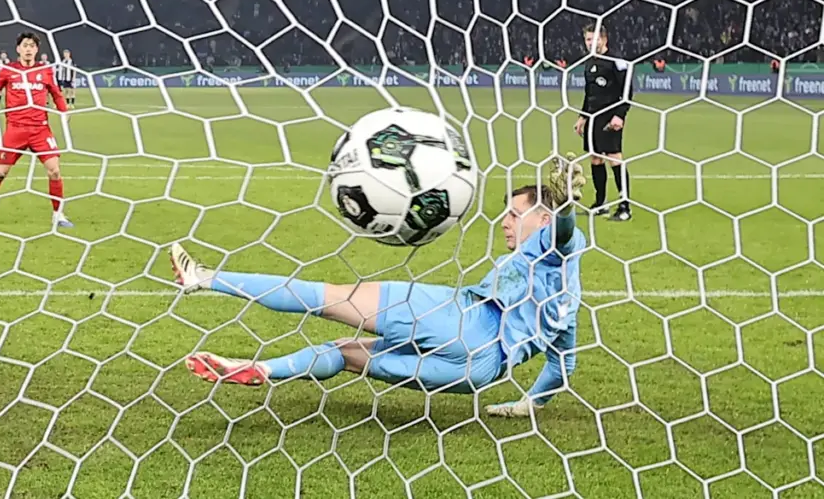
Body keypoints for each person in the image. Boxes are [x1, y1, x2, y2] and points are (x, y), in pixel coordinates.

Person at [173, 156, 587, 417]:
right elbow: (561, 367)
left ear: (544, 220)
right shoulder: (569, 299)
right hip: (479, 372)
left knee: (327, 297)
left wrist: (566, 206)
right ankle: (264, 369)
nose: (505, 221)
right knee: (345, 353)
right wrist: (525, 406)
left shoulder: (552, 243)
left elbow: (565, 234)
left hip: (462, 320)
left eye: (515, 213)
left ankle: (205, 277)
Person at [0, 32, 73, 229]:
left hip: (40, 130)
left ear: (37, 49)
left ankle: (58, 214)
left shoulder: (45, 71)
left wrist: (63, 111)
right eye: (25, 45)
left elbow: (56, 93)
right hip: (15, 130)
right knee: (0, 173)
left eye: (32, 46)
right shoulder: (8, 71)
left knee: (54, 170)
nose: (28, 49)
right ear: (18, 49)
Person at [573, 24, 634, 221]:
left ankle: (624, 207)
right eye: (588, 39)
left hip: (610, 117)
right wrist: (582, 117)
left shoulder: (616, 61)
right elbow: (589, 94)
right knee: (595, 159)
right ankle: (601, 204)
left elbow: (627, 91)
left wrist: (620, 116)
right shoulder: (589, 63)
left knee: (614, 158)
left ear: (604, 40)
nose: (591, 43)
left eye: (595, 39)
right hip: (593, 118)